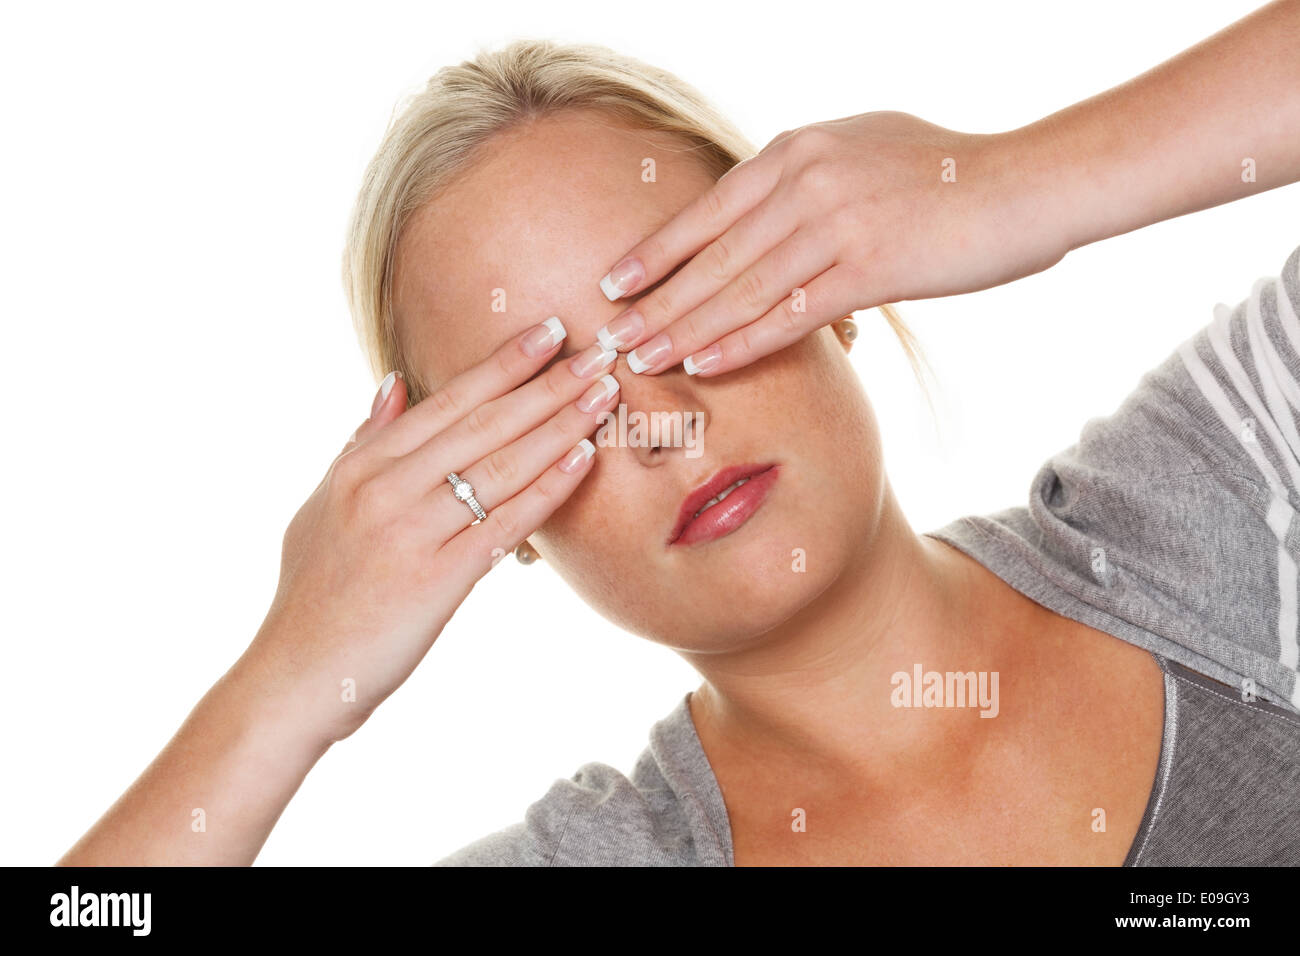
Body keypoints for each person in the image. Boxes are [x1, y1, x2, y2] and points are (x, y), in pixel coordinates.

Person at [59, 0, 1300, 866]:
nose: (658, 425)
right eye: (549, 400)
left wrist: (1020, 181)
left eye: (671, 303)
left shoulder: (1228, 499)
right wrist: (286, 681)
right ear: (509, 527)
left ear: (835, 287)